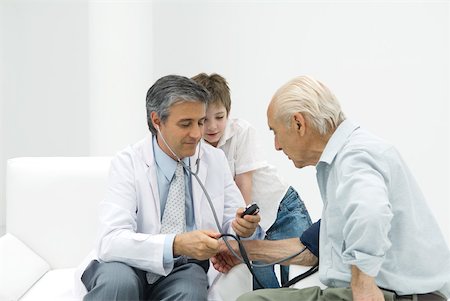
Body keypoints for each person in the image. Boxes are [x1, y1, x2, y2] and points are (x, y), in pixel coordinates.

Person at [219, 75, 450, 301]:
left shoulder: (355, 156)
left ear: (299, 123)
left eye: (276, 132)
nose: (277, 146)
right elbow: (309, 249)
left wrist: (363, 285)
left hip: (395, 295)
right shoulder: (342, 160)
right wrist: (238, 250)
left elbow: (371, 214)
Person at [80, 75, 261, 301]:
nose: (197, 134)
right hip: (126, 262)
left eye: (200, 122)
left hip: (183, 268)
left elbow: (230, 224)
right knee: (118, 285)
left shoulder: (214, 160)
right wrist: (176, 244)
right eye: (186, 124)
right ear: (157, 120)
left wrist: (242, 227)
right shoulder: (128, 163)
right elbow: (111, 240)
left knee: (190, 290)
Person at [191, 73, 313, 289]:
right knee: (261, 283)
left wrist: (239, 231)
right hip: (252, 225)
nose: (212, 127)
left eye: (219, 117)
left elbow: (243, 184)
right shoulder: (195, 147)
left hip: (281, 208)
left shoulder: (241, 131)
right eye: (204, 120)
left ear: (228, 113)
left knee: (302, 277)